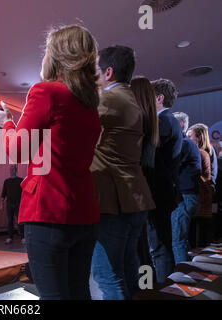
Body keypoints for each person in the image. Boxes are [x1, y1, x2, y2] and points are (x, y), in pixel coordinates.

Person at [0, 25, 101, 300]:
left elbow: (17, 152)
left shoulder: (47, 92)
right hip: (84, 212)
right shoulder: (90, 105)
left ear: (57, 56)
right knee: (79, 291)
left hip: (49, 212)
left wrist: (6, 124)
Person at [90, 47, 155, 300]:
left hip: (114, 201)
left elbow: (71, 121)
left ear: (108, 72)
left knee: (108, 276)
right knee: (128, 269)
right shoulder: (131, 100)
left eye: (95, 71)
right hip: (135, 198)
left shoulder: (109, 99)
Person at [147, 79, 183, 283]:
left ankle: (164, 290)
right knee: (159, 244)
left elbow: (148, 152)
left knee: (159, 246)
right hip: (162, 191)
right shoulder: (168, 121)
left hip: (158, 192)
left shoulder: (164, 122)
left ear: (159, 98)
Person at [130, 77, 160, 268]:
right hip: (145, 191)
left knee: (137, 252)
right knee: (143, 251)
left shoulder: (136, 122)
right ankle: (147, 288)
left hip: (134, 194)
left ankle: (145, 289)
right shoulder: (152, 122)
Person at [171, 112, 201, 263]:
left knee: (178, 241)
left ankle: (181, 279)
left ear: (180, 125)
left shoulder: (184, 143)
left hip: (185, 196)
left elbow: (172, 165)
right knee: (181, 240)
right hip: (189, 195)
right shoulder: (189, 144)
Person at [187, 124, 213, 217]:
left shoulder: (200, 153)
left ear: (199, 138)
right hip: (203, 194)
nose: (187, 139)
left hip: (200, 194)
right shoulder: (203, 152)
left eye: (190, 136)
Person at [0, 165, 24, 245]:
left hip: (18, 204)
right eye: (10, 169)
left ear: (16, 170)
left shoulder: (20, 180)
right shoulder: (6, 181)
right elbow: (3, 193)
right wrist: (1, 204)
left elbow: (25, 193)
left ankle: (23, 237)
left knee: (19, 221)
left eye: (13, 169)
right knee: (10, 221)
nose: (11, 170)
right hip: (9, 204)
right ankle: (10, 237)